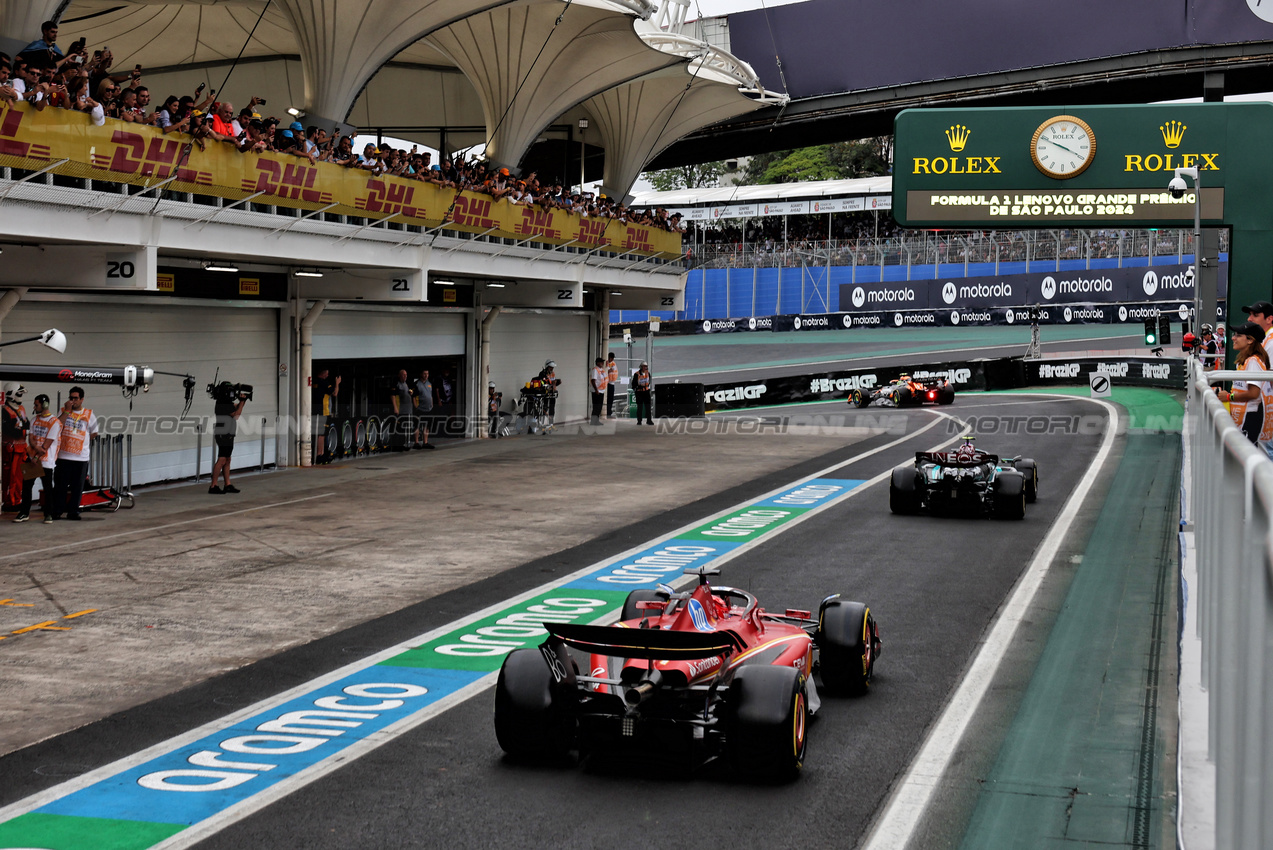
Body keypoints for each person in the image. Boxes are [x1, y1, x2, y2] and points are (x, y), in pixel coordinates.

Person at [1215, 322, 1269, 444]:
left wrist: (1229, 397)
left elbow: (1254, 393)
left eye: (1238, 335)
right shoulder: (1245, 361)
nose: (1233, 338)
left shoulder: (1253, 361)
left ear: (1250, 340)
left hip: (1250, 417)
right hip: (1243, 418)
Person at [50, 386, 97, 521]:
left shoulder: (89, 414)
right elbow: (57, 425)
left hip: (80, 457)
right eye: (71, 398)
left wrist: (82, 441)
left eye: (75, 398)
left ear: (81, 399)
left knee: (77, 486)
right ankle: (58, 510)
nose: (73, 401)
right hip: (64, 456)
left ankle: (73, 511)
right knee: (60, 486)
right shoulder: (64, 411)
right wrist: (67, 411)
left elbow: (94, 432)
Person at [18, 394, 60, 523]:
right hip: (32, 459)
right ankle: (24, 513)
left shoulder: (54, 422)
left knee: (47, 488)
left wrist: (36, 456)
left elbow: (47, 444)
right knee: (26, 487)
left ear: (44, 405)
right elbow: (31, 438)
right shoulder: (34, 420)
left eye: (36, 405)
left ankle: (48, 514)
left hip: (45, 461)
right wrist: (36, 449)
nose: (34, 407)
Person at [210, 385, 248, 494]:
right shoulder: (223, 403)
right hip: (223, 434)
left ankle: (227, 484)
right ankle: (213, 485)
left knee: (227, 459)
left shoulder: (225, 402)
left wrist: (243, 401)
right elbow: (236, 415)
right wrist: (242, 402)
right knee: (222, 459)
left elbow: (236, 407)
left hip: (228, 434)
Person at [2, 383, 28, 512]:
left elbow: (26, 425)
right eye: (19, 393)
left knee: (19, 478)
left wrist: (19, 427)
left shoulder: (21, 408)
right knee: (10, 477)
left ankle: (17, 500)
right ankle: (9, 502)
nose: (21, 396)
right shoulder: (4, 410)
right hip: (10, 449)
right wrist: (20, 427)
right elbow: (11, 431)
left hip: (21, 448)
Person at [312, 367, 339, 463]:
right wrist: (337, 383)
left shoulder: (314, 382)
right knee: (322, 434)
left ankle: (320, 454)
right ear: (322, 374)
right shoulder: (324, 383)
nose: (327, 375)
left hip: (314, 411)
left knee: (318, 433)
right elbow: (335, 393)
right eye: (326, 374)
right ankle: (320, 455)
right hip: (324, 412)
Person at [390, 369, 414, 451]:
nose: (405, 376)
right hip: (400, 410)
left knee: (404, 428)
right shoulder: (397, 384)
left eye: (406, 375)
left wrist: (410, 393)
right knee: (398, 428)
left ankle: (402, 444)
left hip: (407, 410)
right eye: (403, 375)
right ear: (399, 375)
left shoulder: (406, 384)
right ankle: (396, 445)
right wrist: (395, 407)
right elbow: (393, 396)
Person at [414, 369, 436, 449]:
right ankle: (416, 442)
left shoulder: (429, 383)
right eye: (424, 374)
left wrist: (432, 404)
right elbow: (413, 396)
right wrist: (416, 406)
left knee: (427, 426)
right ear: (421, 374)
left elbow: (431, 395)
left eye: (427, 373)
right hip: (420, 409)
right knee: (418, 425)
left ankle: (425, 442)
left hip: (429, 408)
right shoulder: (417, 384)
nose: (426, 375)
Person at [590, 357, 607, 425]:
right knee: (596, 407)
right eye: (601, 362)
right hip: (596, 391)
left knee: (599, 407)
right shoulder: (595, 370)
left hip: (601, 391)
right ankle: (593, 421)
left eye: (603, 362)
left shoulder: (601, 370)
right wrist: (596, 390)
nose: (602, 363)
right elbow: (593, 381)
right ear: (597, 363)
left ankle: (596, 420)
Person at [606, 352, 619, 418]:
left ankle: (609, 411)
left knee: (611, 398)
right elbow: (606, 370)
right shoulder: (606, 363)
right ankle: (607, 412)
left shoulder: (613, 364)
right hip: (607, 383)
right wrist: (609, 370)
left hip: (612, 382)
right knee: (608, 398)